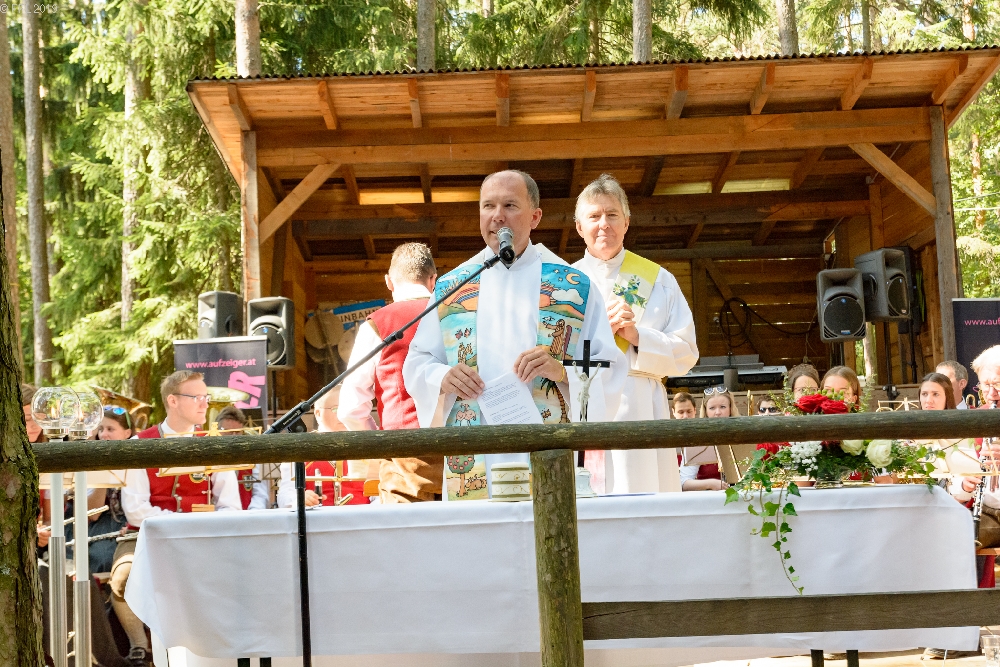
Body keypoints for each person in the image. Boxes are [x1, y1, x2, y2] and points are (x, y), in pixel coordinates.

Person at [403, 169, 626, 492]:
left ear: (535, 217)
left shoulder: (573, 285)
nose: (497, 216)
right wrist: (443, 377)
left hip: (545, 443)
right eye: (488, 206)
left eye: (509, 205)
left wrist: (562, 371)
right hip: (476, 447)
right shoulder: (454, 286)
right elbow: (417, 363)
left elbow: (609, 368)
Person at [572, 174, 698, 494]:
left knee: (644, 499)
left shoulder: (658, 280)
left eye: (612, 214)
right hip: (584, 405)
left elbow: (686, 352)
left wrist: (637, 336)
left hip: (642, 407)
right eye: (594, 216)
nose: (604, 224)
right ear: (579, 227)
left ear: (626, 222)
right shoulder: (563, 283)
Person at [111, 371, 242, 665]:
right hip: (148, 536)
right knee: (123, 576)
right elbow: (136, 510)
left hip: (204, 536)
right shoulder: (140, 443)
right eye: (196, 397)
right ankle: (141, 646)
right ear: (172, 401)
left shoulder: (212, 443)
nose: (204, 403)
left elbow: (230, 506)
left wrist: (198, 530)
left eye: (206, 397)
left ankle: (215, 649)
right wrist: (181, 525)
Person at [337, 242, 445, 503]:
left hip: (404, 465)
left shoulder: (377, 325)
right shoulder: (455, 316)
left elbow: (350, 407)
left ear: (388, 282)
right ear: (433, 280)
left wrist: (378, 446)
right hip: (464, 458)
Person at [278, 386, 368, 508]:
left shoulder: (365, 446)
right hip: (317, 518)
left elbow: (378, 493)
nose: (343, 414)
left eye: (348, 408)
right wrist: (299, 498)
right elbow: (285, 494)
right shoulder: (300, 447)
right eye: (336, 409)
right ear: (318, 413)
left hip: (362, 517)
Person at [679, 386, 738, 491]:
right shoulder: (697, 439)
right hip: (708, 497)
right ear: (706, 411)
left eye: (723, 407)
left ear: (730, 408)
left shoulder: (741, 436)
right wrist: (710, 484)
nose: (718, 412)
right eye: (712, 408)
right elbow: (683, 482)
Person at [217, 405, 270, 511]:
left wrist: (252, 513)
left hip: (248, 515)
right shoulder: (212, 457)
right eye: (228, 432)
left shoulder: (252, 458)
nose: (233, 436)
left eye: (237, 432)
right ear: (218, 430)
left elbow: (260, 494)